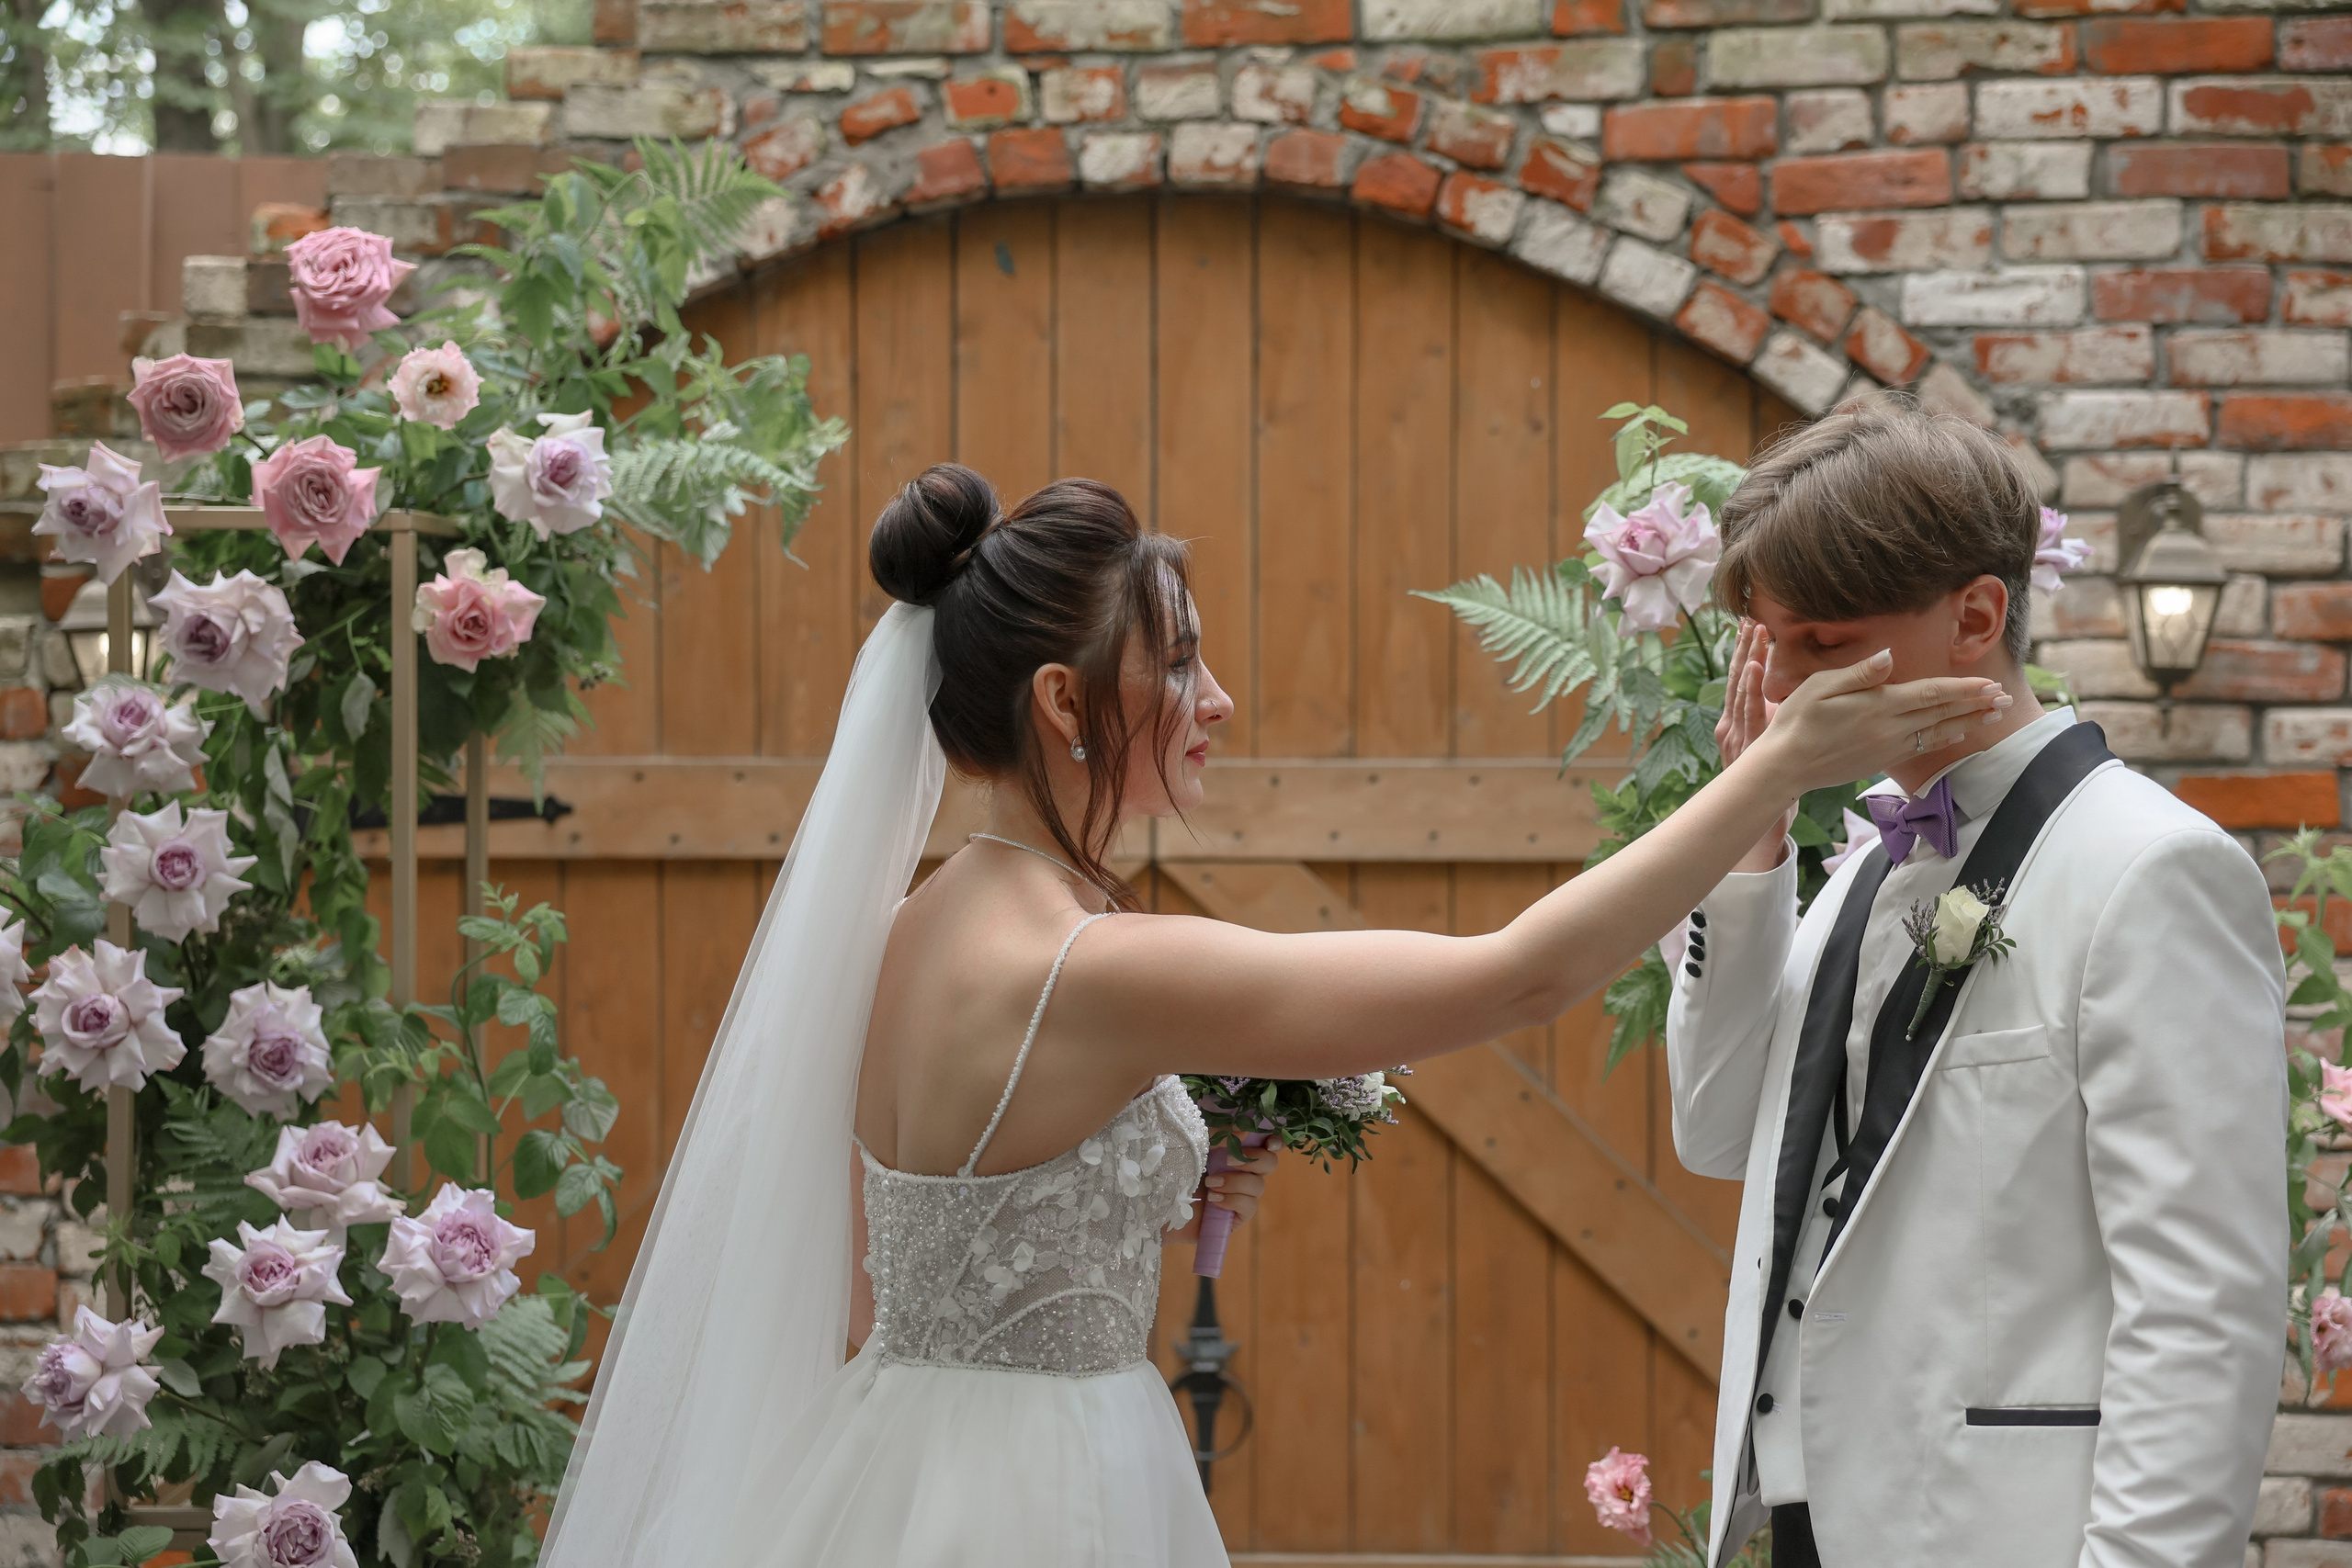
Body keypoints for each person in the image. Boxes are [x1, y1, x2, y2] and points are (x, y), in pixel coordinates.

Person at [540, 462, 2006, 1568]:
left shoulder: (901, 934)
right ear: (1061, 697)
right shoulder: (1087, 966)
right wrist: (1765, 778)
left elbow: (919, 1248)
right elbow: (1516, 974)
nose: (1219, 698)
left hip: (891, 1457)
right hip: (1046, 1485)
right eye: (1178, 660)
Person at [1668, 397, 2287, 1568]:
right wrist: (1750, 835)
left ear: (1976, 616)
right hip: (1809, 1528)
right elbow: (1713, 1133)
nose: (1785, 693)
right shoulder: (1856, 867)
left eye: (1825, 643)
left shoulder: (2153, 870)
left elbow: (2202, 1305)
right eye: (1771, 642)